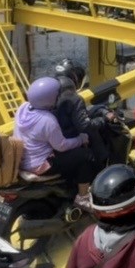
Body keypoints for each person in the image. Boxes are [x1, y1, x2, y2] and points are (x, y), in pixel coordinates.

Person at [14, 77, 93, 210]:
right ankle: (82, 197)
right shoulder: (47, 120)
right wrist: (81, 139)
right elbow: (61, 146)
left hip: (23, 161)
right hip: (41, 166)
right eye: (56, 95)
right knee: (84, 155)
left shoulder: (23, 109)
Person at [53, 59, 116, 172]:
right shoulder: (73, 97)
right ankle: (101, 168)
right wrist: (104, 119)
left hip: (54, 137)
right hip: (67, 138)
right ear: (74, 77)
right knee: (93, 134)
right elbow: (85, 126)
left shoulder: (52, 91)